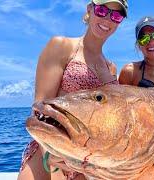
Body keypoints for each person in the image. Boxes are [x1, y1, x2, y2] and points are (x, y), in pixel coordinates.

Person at [17, 0, 128, 179]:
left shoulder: (111, 68)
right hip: (49, 159)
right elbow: (39, 108)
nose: (107, 19)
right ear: (90, 9)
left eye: (116, 15)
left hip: (86, 166)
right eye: (102, 10)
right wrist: (51, 156)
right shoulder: (61, 46)